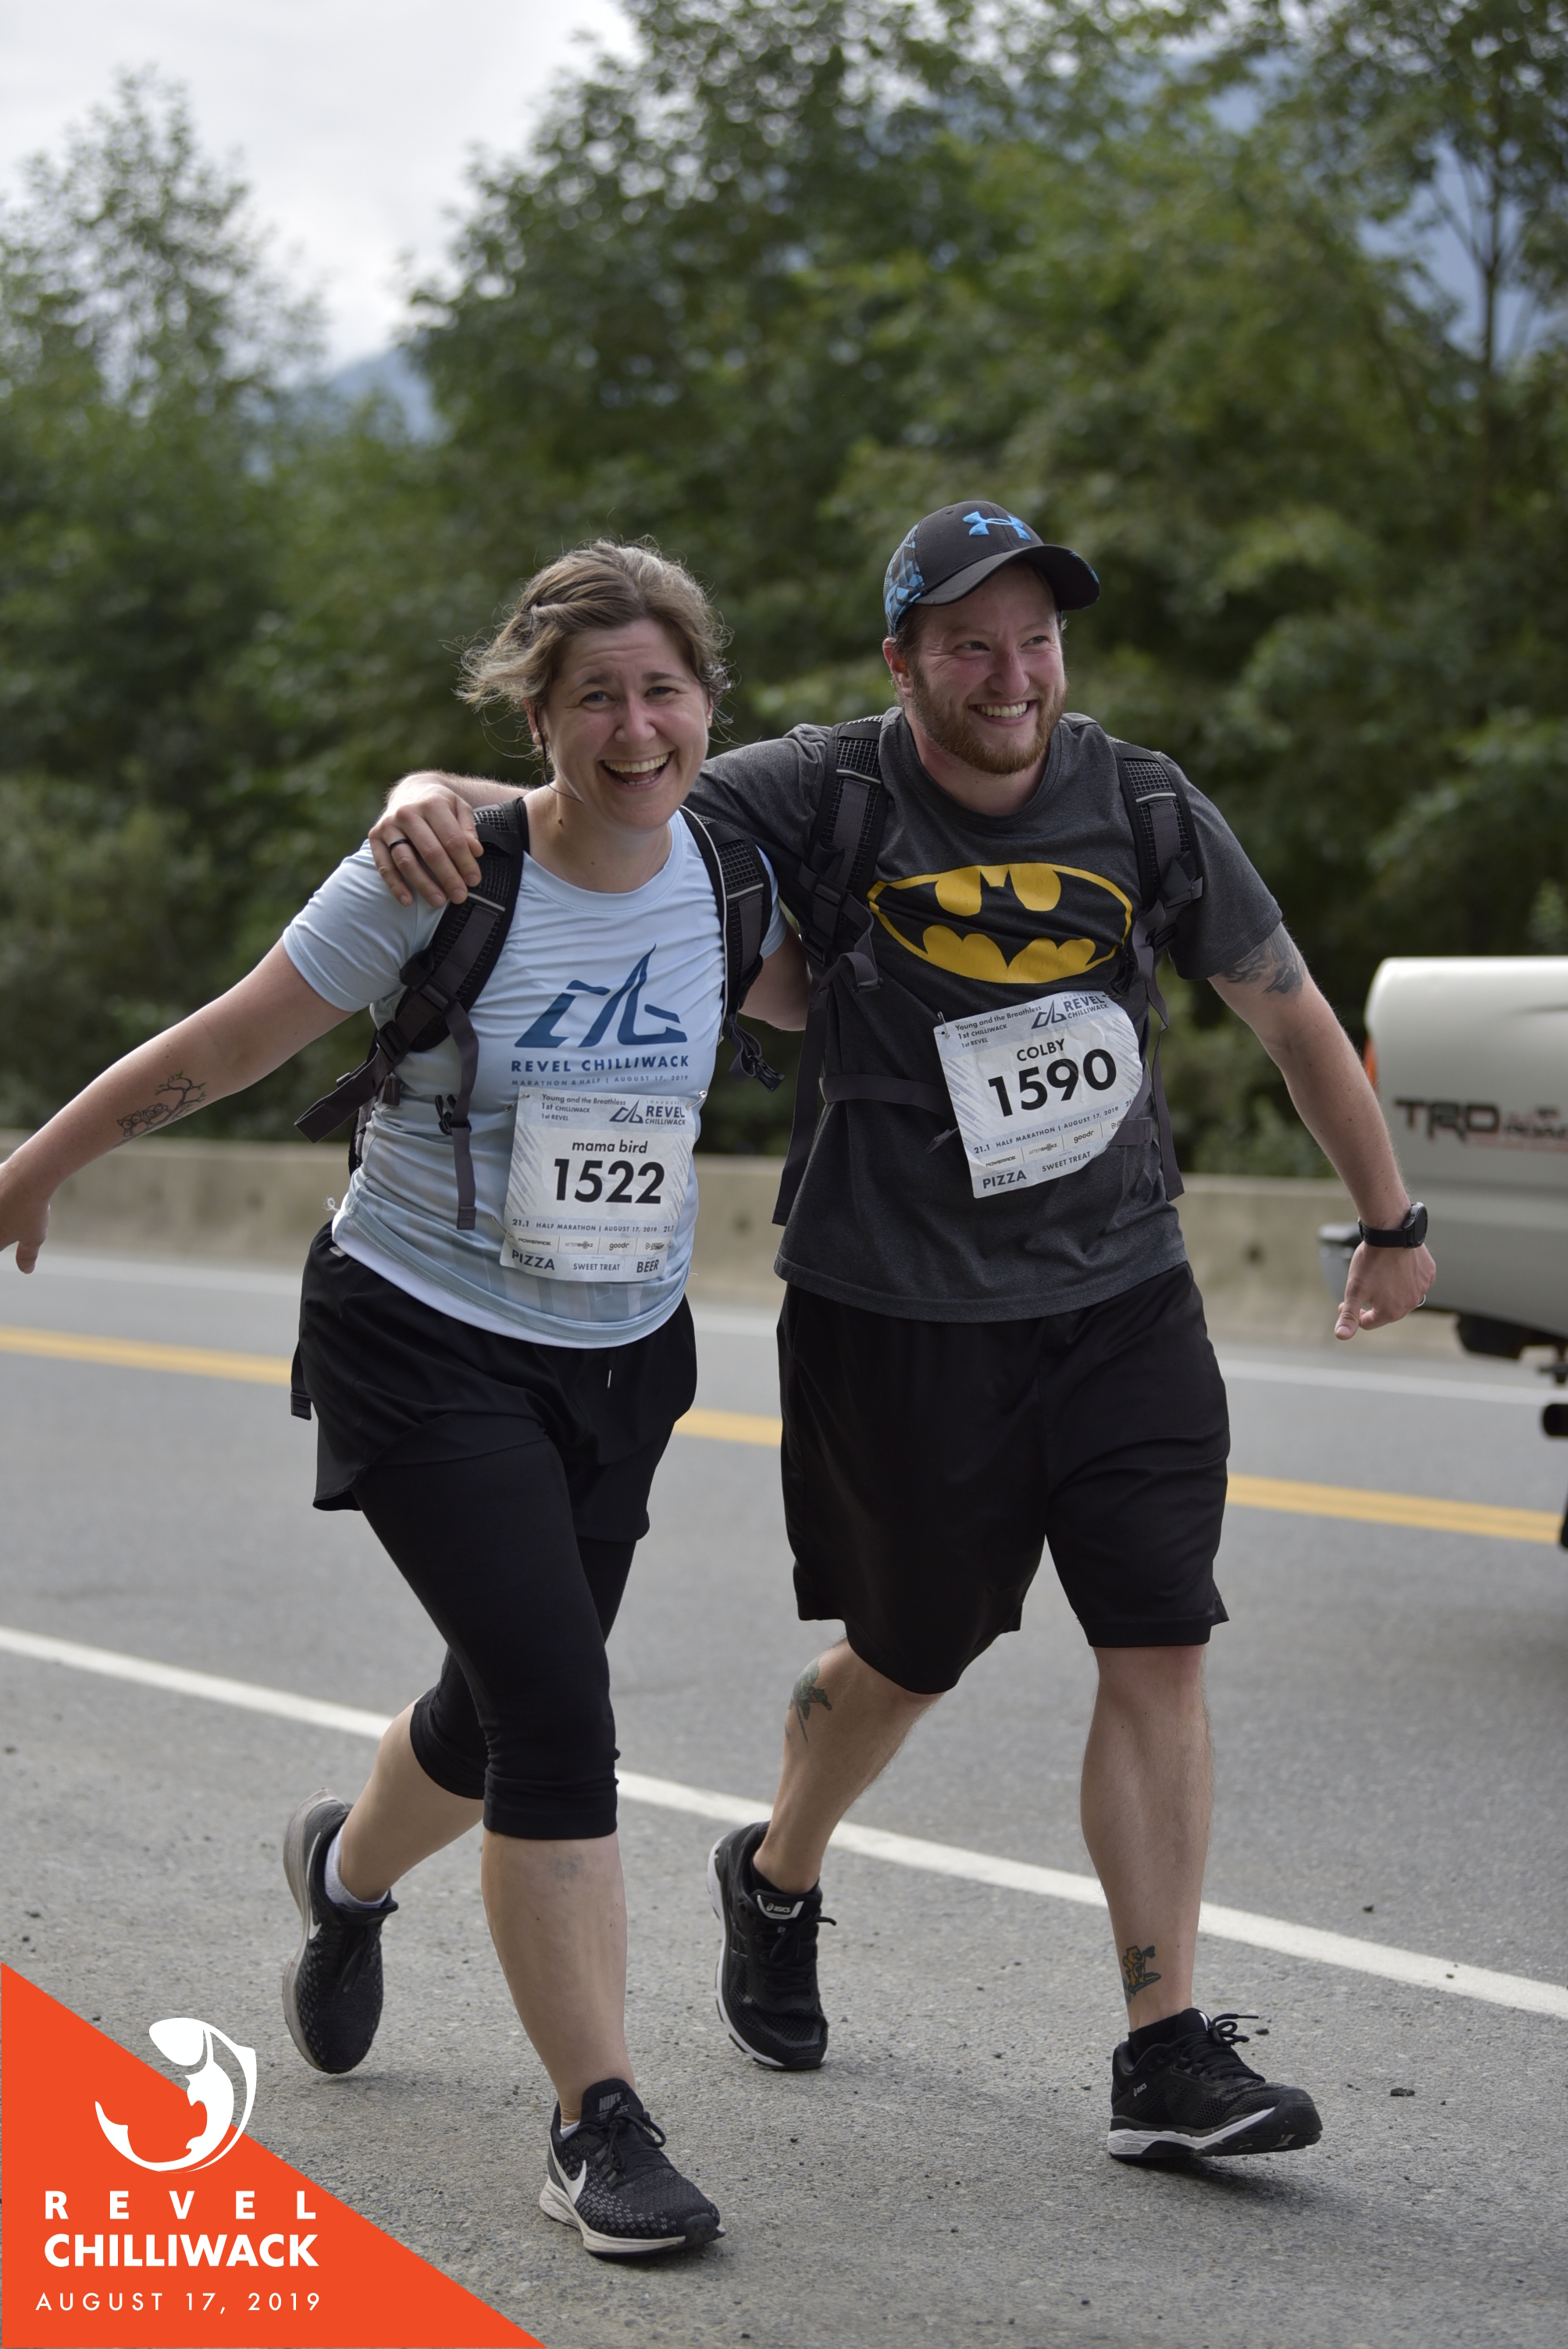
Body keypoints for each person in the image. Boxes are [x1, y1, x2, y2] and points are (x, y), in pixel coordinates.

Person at [365, 499, 1435, 2167]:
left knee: (1157, 1639)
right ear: (901, 661)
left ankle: (1161, 2045)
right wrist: (421, 794)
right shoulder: (817, 790)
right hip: (897, 1312)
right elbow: (601, 791)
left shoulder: (1143, 801)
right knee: (912, 1648)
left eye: (1036, 642)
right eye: (969, 646)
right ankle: (774, 1870)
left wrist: (1390, 1221)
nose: (1012, 677)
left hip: (1121, 1292)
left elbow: (1287, 1007)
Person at [0, 539, 807, 2252]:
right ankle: (598, 2124)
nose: (636, 727)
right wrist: (35, 1167)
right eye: (595, 696)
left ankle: (343, 1870)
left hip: (623, 1349)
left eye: (664, 691)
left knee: (490, 1707)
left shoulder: (732, 873)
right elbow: (230, 1042)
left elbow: (863, 991)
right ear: (538, 715)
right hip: (423, 1334)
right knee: (559, 1711)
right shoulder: (436, 874)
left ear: (708, 704)